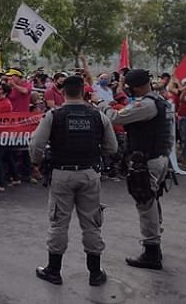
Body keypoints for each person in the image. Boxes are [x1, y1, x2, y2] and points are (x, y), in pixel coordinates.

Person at [30, 76, 117, 286]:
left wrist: (37, 163)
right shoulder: (98, 116)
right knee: (92, 224)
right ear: (84, 92)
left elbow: (36, 145)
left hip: (62, 173)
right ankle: (95, 273)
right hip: (89, 173)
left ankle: (54, 270)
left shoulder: (54, 115)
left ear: (63, 92)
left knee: (59, 222)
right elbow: (112, 147)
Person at [96, 69, 172, 270]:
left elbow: (116, 118)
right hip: (159, 157)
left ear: (135, 87)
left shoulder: (146, 105)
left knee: (145, 203)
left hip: (147, 160)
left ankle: (152, 251)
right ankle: (155, 242)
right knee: (152, 201)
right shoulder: (159, 100)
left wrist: (100, 103)